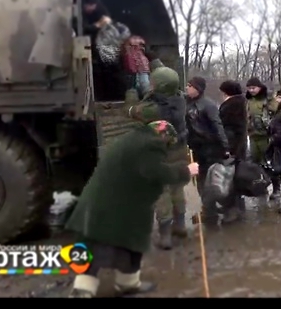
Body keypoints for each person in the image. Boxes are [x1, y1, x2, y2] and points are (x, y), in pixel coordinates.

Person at [65, 121, 199, 298]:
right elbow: (153, 171)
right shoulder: (151, 144)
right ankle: (86, 291)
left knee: (106, 243)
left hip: (103, 202)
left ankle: (122, 284)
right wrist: (186, 171)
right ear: (164, 136)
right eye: (168, 144)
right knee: (109, 243)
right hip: (116, 207)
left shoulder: (132, 138)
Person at [127, 58, 189, 250]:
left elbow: (130, 111)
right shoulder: (180, 100)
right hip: (179, 151)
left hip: (160, 155)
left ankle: (165, 235)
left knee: (162, 192)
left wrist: (131, 93)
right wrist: (156, 63)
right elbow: (166, 84)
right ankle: (180, 226)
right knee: (177, 189)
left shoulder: (151, 109)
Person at [185, 76, 229, 223]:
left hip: (210, 148)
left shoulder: (208, 105)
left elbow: (217, 126)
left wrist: (224, 147)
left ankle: (219, 209)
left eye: (190, 86)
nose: (187, 88)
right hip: (195, 148)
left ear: (198, 89)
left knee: (211, 181)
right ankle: (208, 210)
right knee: (200, 181)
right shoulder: (187, 104)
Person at [245, 77, 281, 201]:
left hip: (266, 136)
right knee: (256, 163)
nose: (251, 90)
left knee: (269, 163)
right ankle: (263, 186)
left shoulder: (267, 99)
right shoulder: (249, 100)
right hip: (253, 135)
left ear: (259, 87)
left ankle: (277, 188)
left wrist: (271, 99)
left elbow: (277, 111)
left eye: (253, 88)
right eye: (249, 88)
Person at [218, 80, 247, 224]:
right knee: (235, 176)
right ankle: (238, 208)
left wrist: (227, 149)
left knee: (230, 178)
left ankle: (233, 211)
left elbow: (228, 130)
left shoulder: (231, 106)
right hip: (239, 146)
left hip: (232, 147)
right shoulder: (240, 103)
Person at [122, 35, 151, 100]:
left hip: (141, 72)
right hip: (133, 73)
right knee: (134, 89)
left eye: (141, 45)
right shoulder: (129, 54)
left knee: (144, 86)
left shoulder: (142, 55)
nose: (140, 47)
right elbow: (129, 64)